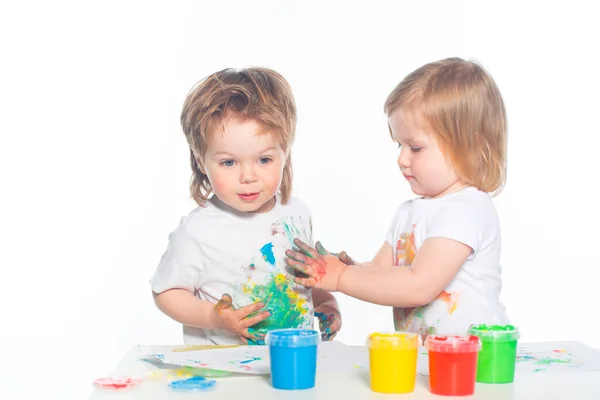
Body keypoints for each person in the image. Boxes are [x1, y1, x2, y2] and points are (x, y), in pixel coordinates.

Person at [285, 57, 510, 341]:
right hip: (431, 361)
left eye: (415, 147)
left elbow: (419, 286)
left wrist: (341, 277)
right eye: (399, 145)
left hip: (478, 361)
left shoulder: (466, 209)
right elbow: (380, 272)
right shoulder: (409, 212)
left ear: (469, 146)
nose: (402, 159)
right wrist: (338, 267)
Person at [150, 67, 341, 345]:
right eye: (229, 162)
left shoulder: (296, 213)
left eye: (264, 160)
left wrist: (328, 303)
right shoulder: (198, 232)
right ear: (201, 161)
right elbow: (166, 293)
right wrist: (214, 318)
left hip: (292, 363)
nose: (248, 176)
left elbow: (302, 279)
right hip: (227, 373)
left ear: (285, 152)